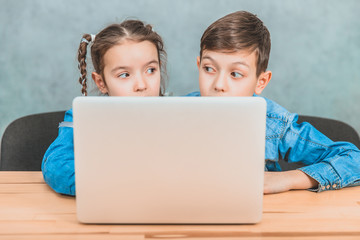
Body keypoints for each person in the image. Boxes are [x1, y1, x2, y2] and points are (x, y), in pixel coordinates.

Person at [188, 11, 360, 194]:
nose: (219, 85)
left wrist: (288, 179)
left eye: (235, 74)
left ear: (260, 82)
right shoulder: (173, 115)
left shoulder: (273, 123)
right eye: (209, 69)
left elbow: (354, 159)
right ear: (199, 66)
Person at [42, 20, 167, 196]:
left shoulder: (176, 112)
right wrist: (117, 184)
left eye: (151, 70)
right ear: (101, 82)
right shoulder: (85, 118)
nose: (141, 85)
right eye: (124, 74)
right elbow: (57, 166)